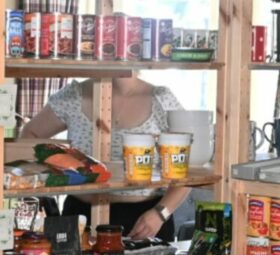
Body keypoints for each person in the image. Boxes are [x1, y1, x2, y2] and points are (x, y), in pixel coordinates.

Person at [18, 77, 189, 240]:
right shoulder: (73, 95)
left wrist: (160, 214)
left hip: (145, 218)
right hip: (80, 214)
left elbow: (190, 166)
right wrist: (50, 173)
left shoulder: (161, 99)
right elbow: (30, 134)